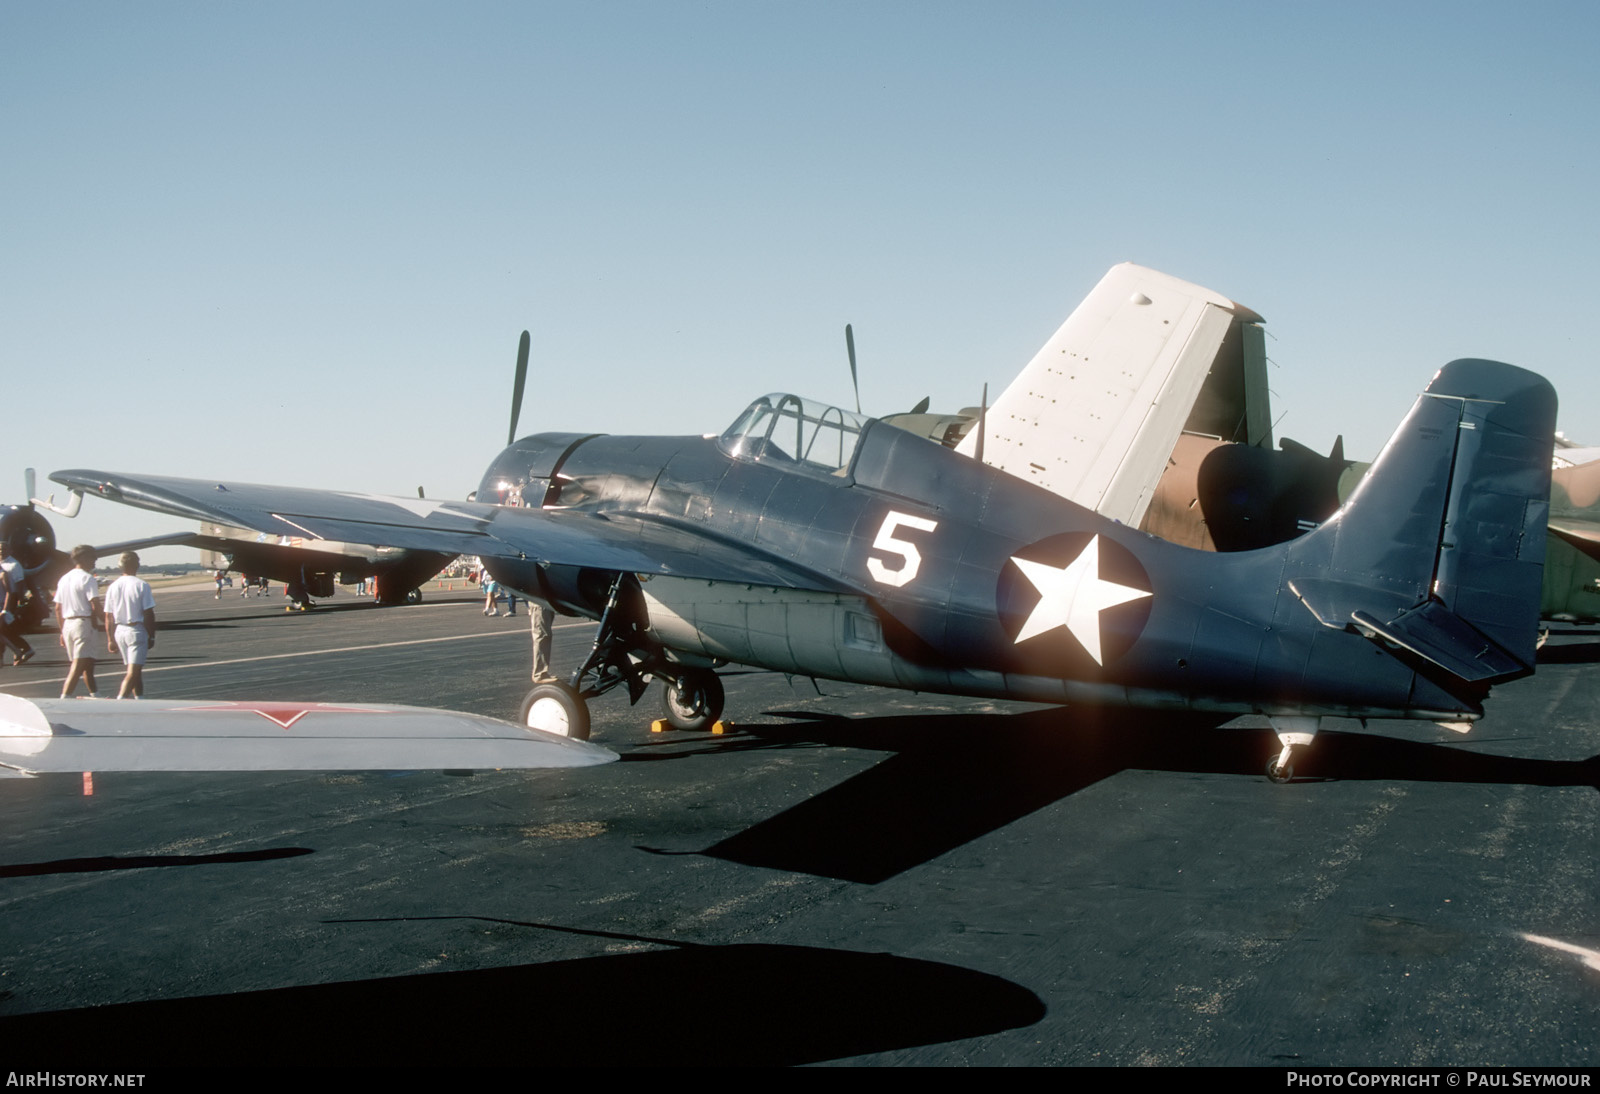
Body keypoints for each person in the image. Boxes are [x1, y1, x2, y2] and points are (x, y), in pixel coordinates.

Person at [104, 551, 157, 699]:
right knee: (133, 672)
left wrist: (110, 639)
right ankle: (120, 700)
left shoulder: (113, 586)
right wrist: (151, 636)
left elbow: (108, 616)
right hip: (135, 630)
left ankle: (139, 698)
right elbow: (148, 613)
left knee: (135, 669)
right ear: (137, 565)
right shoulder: (141, 585)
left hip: (119, 630)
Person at [54, 545, 102, 698]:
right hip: (83, 624)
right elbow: (95, 605)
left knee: (88, 664)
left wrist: (62, 631)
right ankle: (65, 697)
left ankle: (95, 695)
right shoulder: (88, 578)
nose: (95, 560)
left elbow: (57, 608)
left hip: (68, 624)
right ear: (82, 558)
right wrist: (109, 624)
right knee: (78, 664)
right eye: (92, 557)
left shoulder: (64, 578)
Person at [0, 549, 34, 665]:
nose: (1, 551)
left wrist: (8, 608)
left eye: (3, 548)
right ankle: (18, 651)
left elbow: (14, 589)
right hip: (5, 602)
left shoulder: (12, 566)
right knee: (4, 631)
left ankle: (22, 650)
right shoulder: (3, 565)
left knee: (5, 631)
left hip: (6, 603)